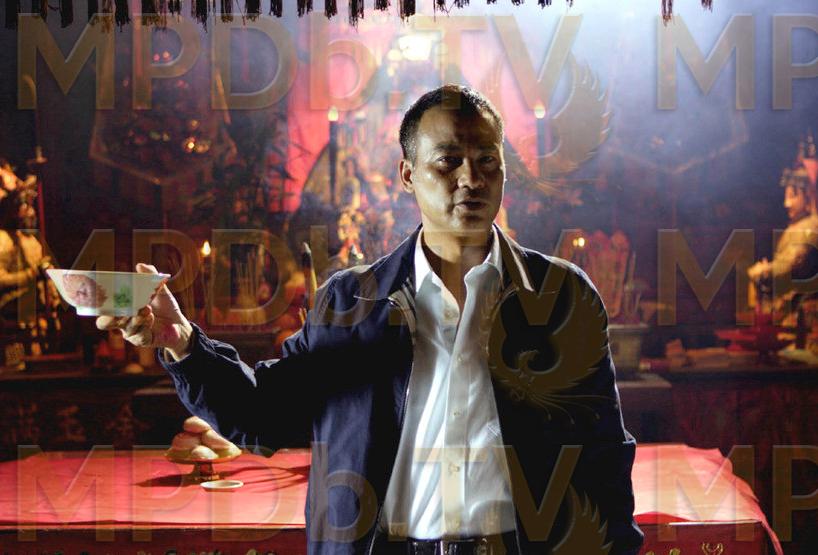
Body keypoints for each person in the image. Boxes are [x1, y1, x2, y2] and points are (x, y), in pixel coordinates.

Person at [99, 85, 643, 554]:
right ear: (408, 174)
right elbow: (263, 414)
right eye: (448, 161)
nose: (471, 179)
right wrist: (181, 341)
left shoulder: (560, 297)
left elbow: (604, 456)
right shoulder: (350, 303)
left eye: (487, 161)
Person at [748, 150, 818, 326]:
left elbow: (792, 264)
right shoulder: (799, 226)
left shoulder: (810, 226)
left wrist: (765, 270)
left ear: (808, 196)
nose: (787, 203)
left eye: (793, 196)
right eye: (786, 196)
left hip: (803, 308)